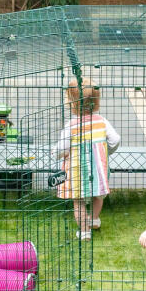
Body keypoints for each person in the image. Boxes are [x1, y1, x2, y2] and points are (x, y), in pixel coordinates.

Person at [54, 78, 121, 240]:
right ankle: (94, 219)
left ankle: (84, 231)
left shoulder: (71, 126)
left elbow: (62, 148)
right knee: (98, 194)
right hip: (98, 167)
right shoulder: (102, 121)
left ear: (72, 103)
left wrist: (58, 154)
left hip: (77, 169)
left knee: (78, 200)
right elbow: (115, 140)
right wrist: (105, 153)